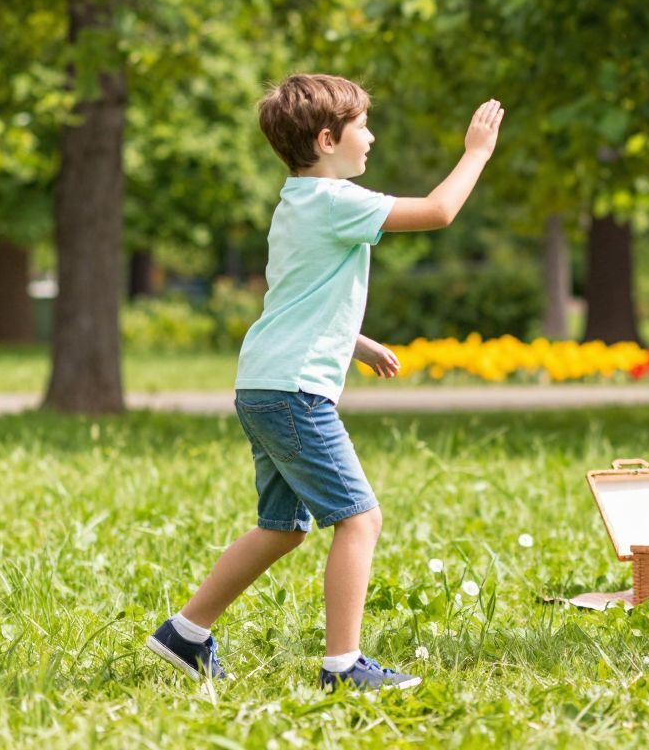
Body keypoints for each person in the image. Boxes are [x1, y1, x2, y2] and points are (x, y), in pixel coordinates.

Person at [145, 74, 505, 689]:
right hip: (294, 393)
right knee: (359, 519)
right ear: (328, 138)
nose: (372, 136)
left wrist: (355, 345)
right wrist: (475, 153)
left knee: (282, 527)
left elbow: (301, 296)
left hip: (264, 381)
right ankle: (343, 665)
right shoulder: (336, 200)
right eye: (363, 125)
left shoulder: (295, 203)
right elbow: (440, 211)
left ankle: (185, 632)